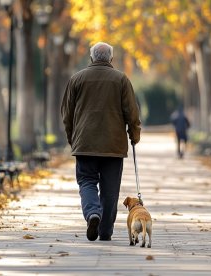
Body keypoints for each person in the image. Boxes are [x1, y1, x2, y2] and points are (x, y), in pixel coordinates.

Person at [61, 42, 141, 242]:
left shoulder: (76, 79)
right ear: (111, 59)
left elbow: (67, 115)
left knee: (87, 182)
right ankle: (105, 231)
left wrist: (73, 139)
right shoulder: (121, 79)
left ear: (91, 58)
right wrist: (134, 134)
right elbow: (132, 112)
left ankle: (92, 213)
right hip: (113, 146)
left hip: (85, 143)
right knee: (110, 189)